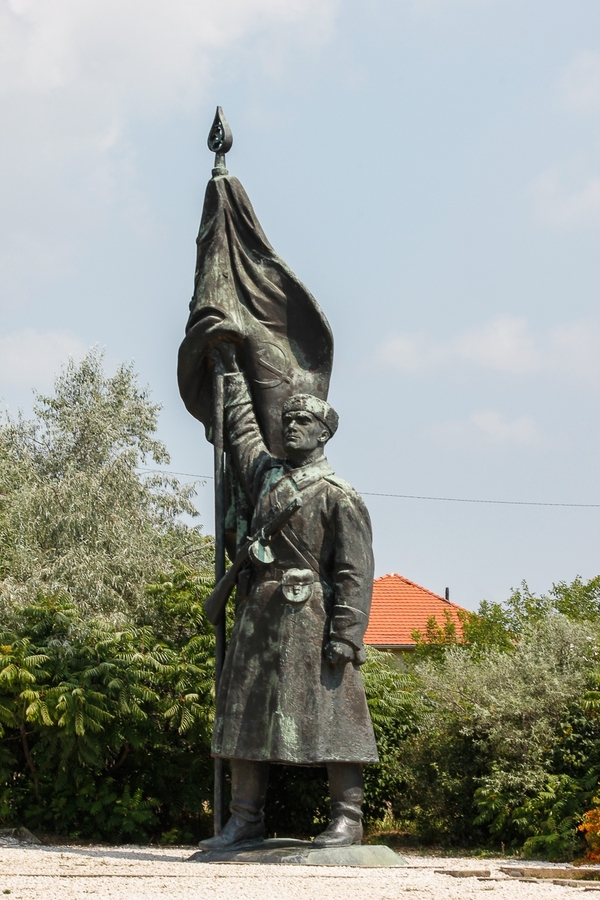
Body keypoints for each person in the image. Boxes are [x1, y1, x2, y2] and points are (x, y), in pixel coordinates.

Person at [200, 344, 378, 851]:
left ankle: (348, 818)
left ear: (324, 433)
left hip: (313, 619)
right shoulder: (267, 477)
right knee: (244, 713)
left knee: (335, 718)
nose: (292, 426)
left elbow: (354, 572)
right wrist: (230, 372)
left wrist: (346, 635)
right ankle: (244, 820)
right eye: (289, 419)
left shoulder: (339, 494)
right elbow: (241, 432)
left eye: (303, 422)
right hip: (260, 611)